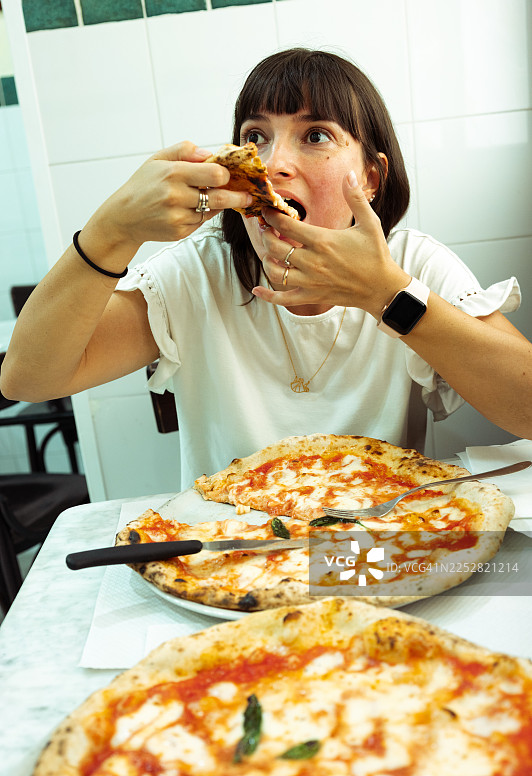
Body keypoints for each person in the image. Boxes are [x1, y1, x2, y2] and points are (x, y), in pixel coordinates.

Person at [2, 49, 531, 488]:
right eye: (255, 137)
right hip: (232, 552)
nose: (273, 163)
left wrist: (386, 295)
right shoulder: (197, 273)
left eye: (315, 135)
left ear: (371, 177)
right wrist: (110, 231)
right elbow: (28, 379)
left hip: (375, 551)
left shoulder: (414, 265)